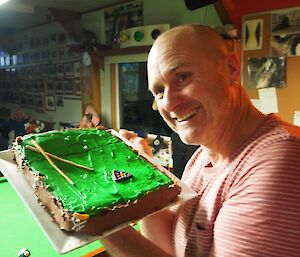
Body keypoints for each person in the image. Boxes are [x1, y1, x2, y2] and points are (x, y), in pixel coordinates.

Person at [101, 25, 300, 257]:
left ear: (231, 69)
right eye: (159, 91)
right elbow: (172, 246)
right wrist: (143, 171)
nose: (168, 103)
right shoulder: (203, 154)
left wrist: (100, 223)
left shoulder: (279, 164)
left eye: (182, 77)